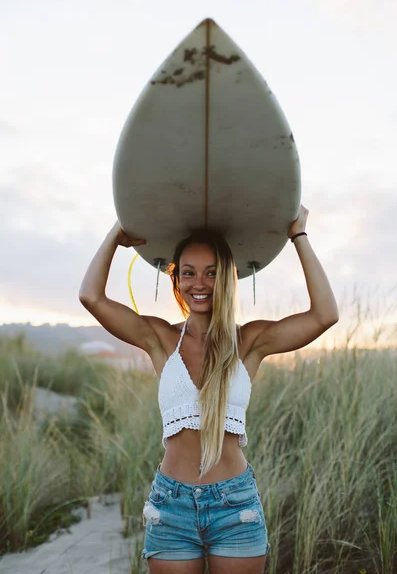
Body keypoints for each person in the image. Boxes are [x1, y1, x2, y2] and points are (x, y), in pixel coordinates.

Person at [79, 205, 338, 574]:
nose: (199, 284)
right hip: (171, 505)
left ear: (228, 278)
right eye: (188, 273)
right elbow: (91, 297)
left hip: (234, 505)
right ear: (176, 280)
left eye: (211, 273)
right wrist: (115, 236)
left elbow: (325, 315)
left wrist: (299, 235)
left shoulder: (249, 341)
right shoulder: (160, 338)